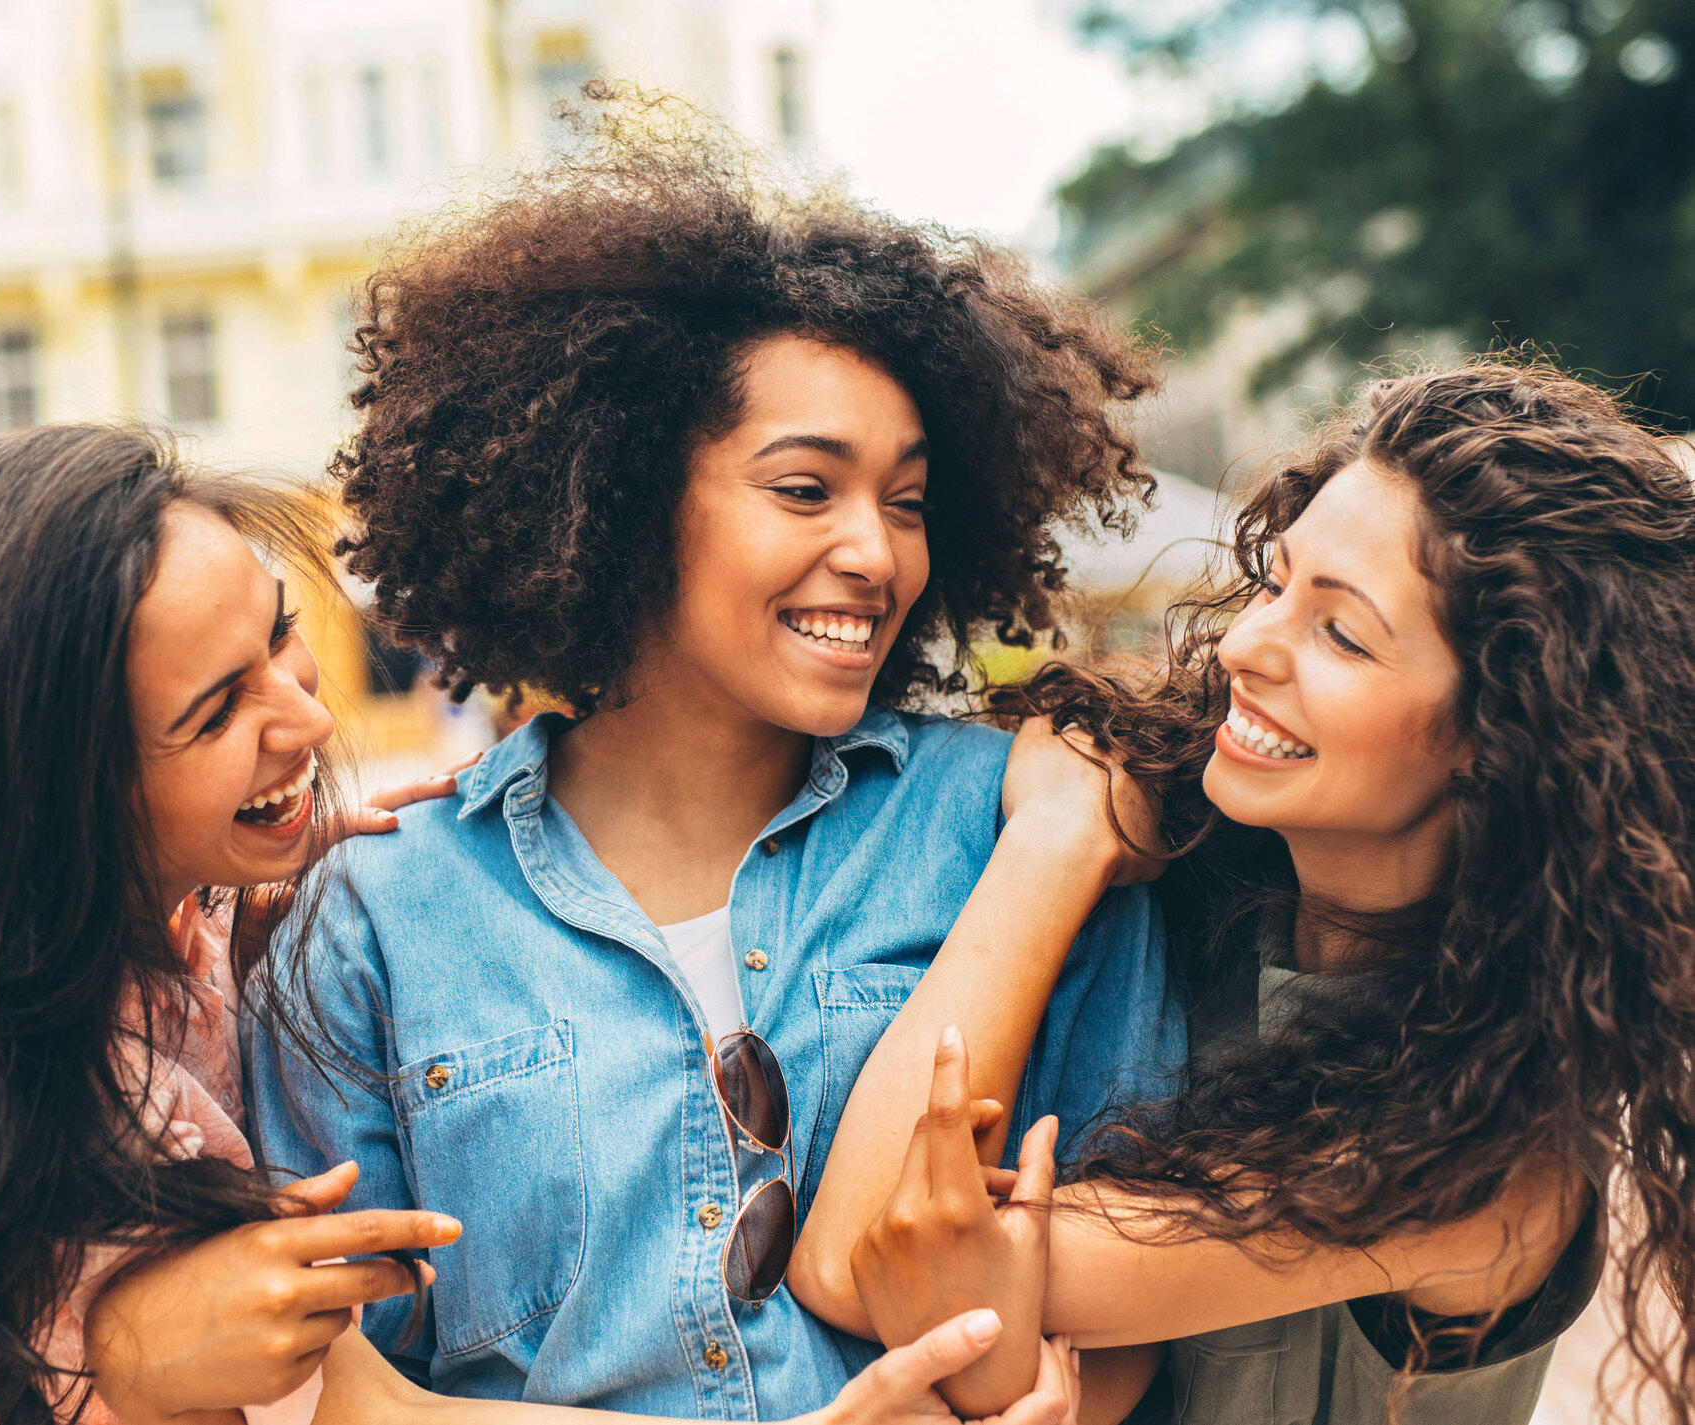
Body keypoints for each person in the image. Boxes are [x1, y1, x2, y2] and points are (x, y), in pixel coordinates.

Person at [0, 425, 1057, 1425]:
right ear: (57, 792)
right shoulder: (47, 1102)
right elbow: (368, 1410)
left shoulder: (219, 929)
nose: (304, 719)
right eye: (218, 710)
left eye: (285, 642)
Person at [246, 100, 1181, 1424]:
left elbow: (1128, 1310)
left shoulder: (1030, 828)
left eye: (907, 501)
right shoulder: (376, 922)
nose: (876, 552)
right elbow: (331, 1389)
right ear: (621, 493)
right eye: (806, 489)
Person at [795, 362, 1695, 1424]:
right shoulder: (1206, 880)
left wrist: (1053, 843)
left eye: (1341, 633)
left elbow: (871, 1260)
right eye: (1277, 584)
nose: (1239, 644)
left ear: (1501, 741)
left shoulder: (1494, 1166)